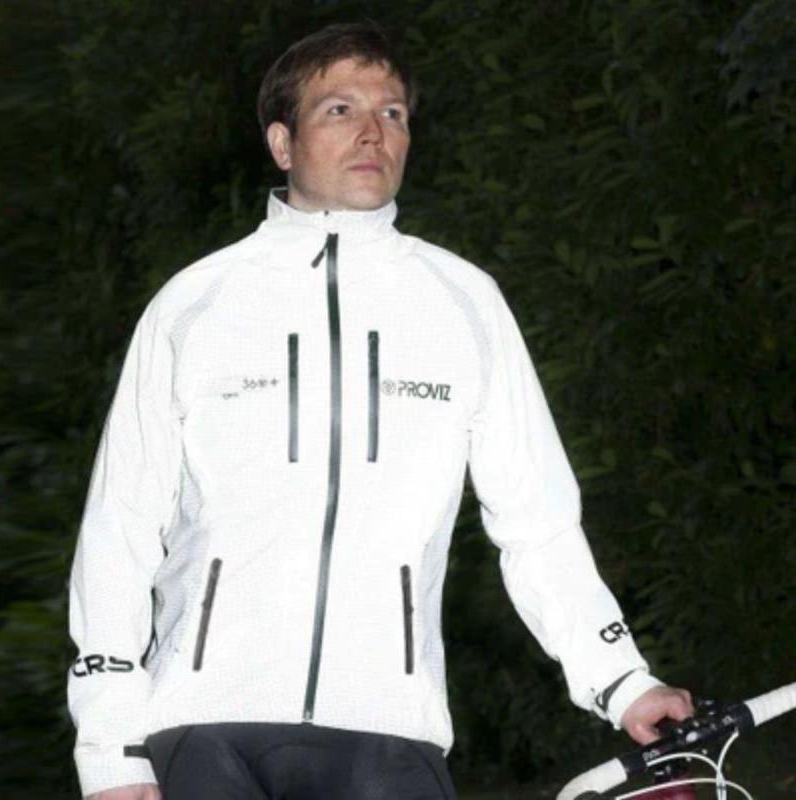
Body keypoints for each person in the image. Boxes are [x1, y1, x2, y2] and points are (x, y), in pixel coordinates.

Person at [67, 22, 693, 800]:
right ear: (282, 143)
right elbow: (120, 528)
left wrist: (621, 678)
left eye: (392, 113)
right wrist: (110, 747)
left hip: (389, 732)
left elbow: (538, 520)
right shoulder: (195, 303)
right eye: (340, 110)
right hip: (203, 725)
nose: (373, 132)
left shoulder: (462, 301)